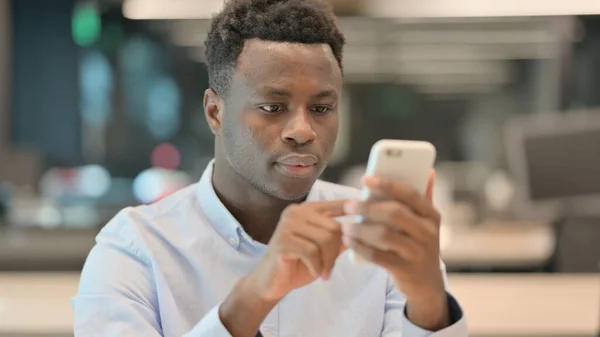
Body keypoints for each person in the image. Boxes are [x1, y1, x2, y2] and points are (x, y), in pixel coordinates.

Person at [72, 0, 468, 336]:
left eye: (321, 108)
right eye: (273, 107)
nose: (302, 130)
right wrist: (254, 296)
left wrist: (428, 299)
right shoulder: (136, 249)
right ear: (215, 111)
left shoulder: (374, 240)